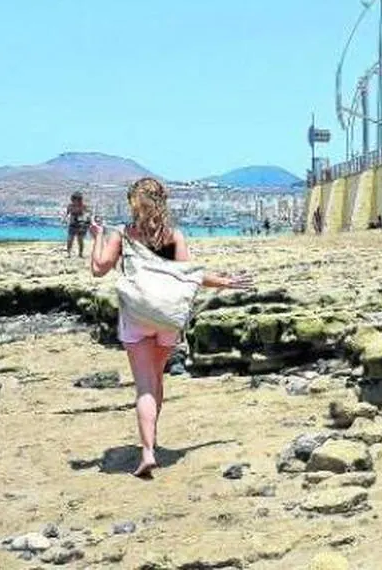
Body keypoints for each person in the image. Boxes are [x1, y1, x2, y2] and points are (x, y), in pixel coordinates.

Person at [88, 178, 252, 479]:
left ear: (132, 204)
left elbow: (99, 269)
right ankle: (154, 439)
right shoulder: (174, 235)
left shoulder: (123, 234)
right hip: (167, 319)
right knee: (157, 381)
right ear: (162, 202)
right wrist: (225, 282)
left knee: (144, 386)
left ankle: (148, 451)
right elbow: (190, 276)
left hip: (137, 317)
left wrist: (97, 236)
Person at [64, 192, 90, 258]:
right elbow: (67, 214)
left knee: (80, 240)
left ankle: (80, 254)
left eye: (77, 199)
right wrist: (65, 219)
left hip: (81, 225)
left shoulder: (83, 206)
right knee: (70, 239)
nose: (75, 201)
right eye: (74, 199)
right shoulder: (70, 206)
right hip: (72, 224)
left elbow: (87, 215)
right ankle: (68, 253)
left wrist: (86, 222)